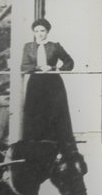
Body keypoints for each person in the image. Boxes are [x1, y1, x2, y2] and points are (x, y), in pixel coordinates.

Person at [20, 18, 78, 154]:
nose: (39, 34)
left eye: (42, 30)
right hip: (35, 84)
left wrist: (54, 68)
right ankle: (35, 147)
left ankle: (58, 147)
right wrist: (38, 67)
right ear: (33, 32)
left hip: (53, 83)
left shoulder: (55, 46)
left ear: (47, 32)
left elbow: (69, 62)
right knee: (35, 113)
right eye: (36, 31)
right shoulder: (28, 47)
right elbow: (24, 66)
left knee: (55, 113)